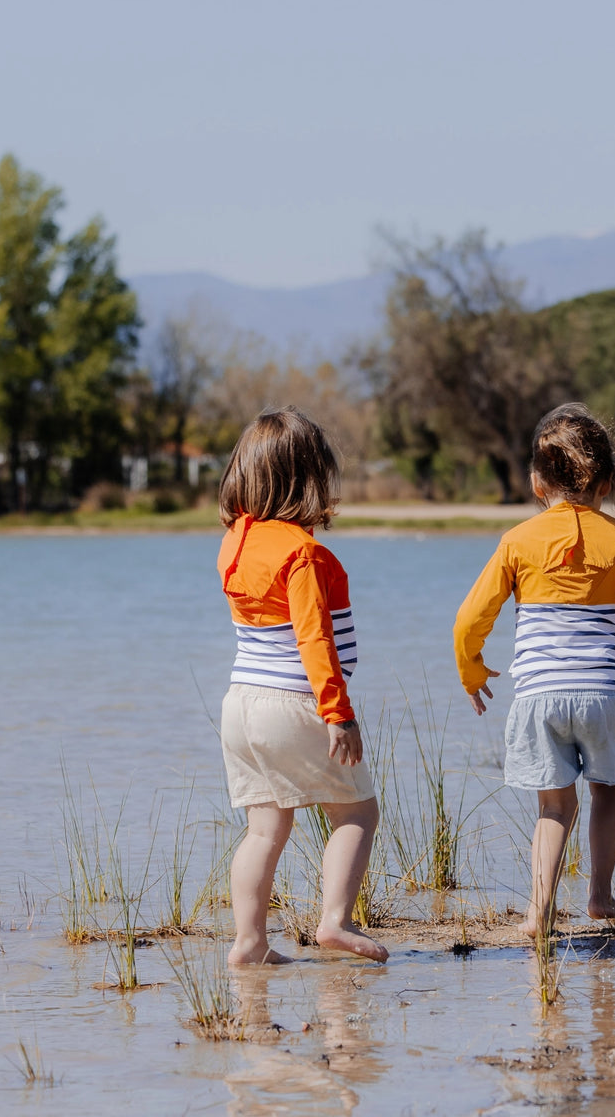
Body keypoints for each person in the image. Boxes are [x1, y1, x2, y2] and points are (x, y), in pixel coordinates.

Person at [453, 403, 615, 936]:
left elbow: (469, 619)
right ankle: (599, 896)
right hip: (603, 694)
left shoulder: (517, 541)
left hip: (538, 700)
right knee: (609, 788)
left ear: (535, 482)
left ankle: (539, 910)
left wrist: (473, 670)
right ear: (604, 483)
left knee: (554, 806)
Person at [216, 406, 387, 965]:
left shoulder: (237, 542)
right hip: (295, 704)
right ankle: (334, 922)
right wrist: (338, 712)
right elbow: (315, 641)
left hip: (241, 706)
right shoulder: (303, 555)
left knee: (263, 828)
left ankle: (250, 942)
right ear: (308, 479)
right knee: (357, 813)